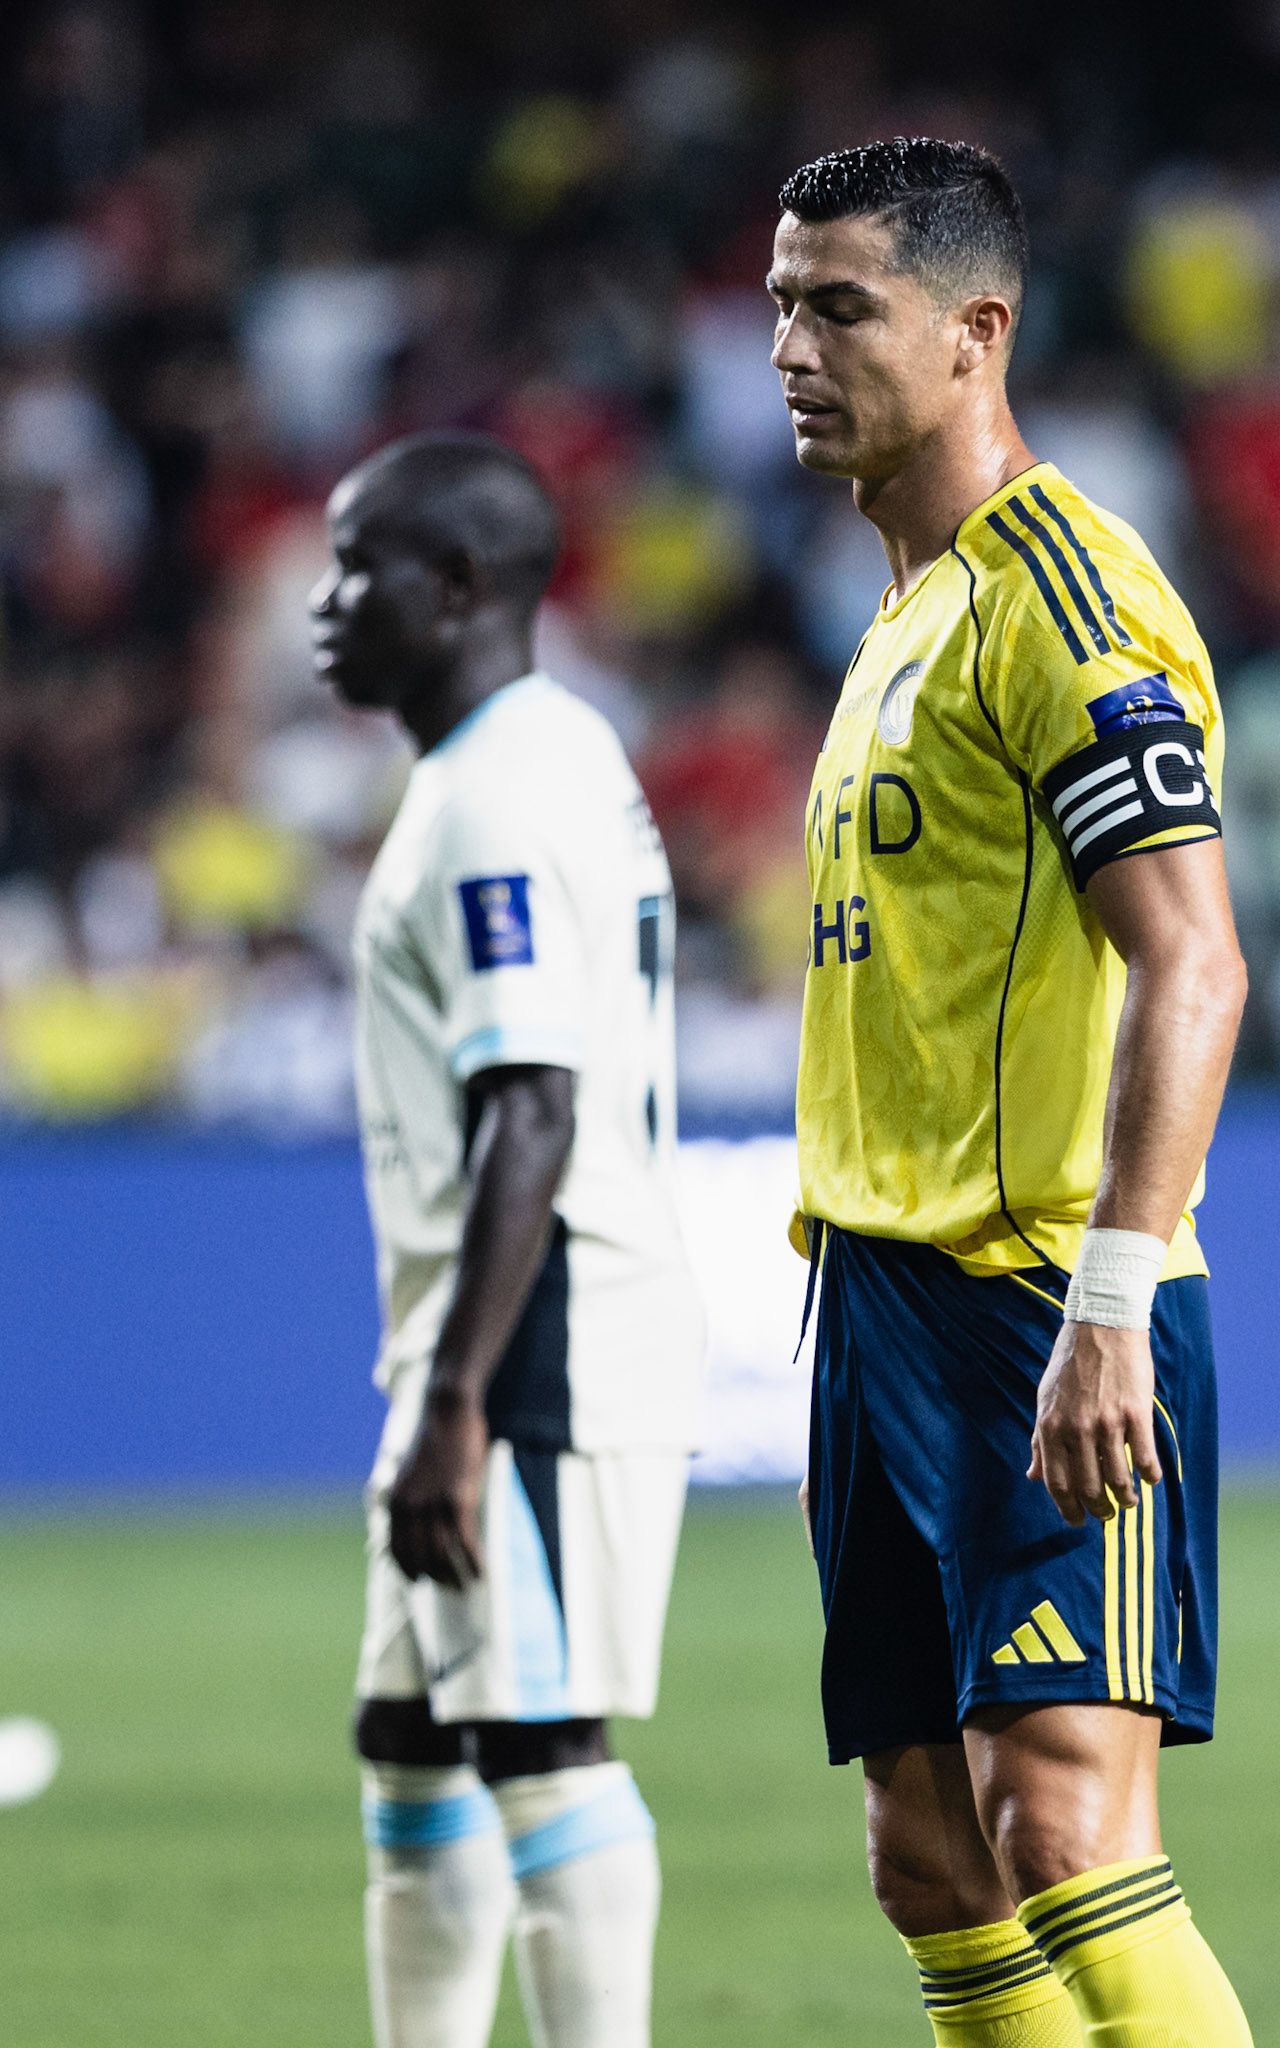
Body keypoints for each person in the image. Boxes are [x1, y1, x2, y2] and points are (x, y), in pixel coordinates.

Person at [771, 139, 1253, 2046]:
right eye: (780, 304)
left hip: (1041, 1294)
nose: (790, 348)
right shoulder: (901, 611)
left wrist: (1111, 1298)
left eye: (839, 307)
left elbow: (1193, 958)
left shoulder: (1066, 602)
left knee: (1063, 1828)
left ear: (975, 333)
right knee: (930, 1858)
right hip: (873, 1290)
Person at [310, 430, 704, 2048]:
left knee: (541, 1741)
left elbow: (527, 1102)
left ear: (458, 585)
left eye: (359, 568)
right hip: (489, 1339)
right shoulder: (534, 757)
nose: (325, 605)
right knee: (409, 1737)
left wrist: (458, 1400)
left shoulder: (495, 796)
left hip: (533, 1346)